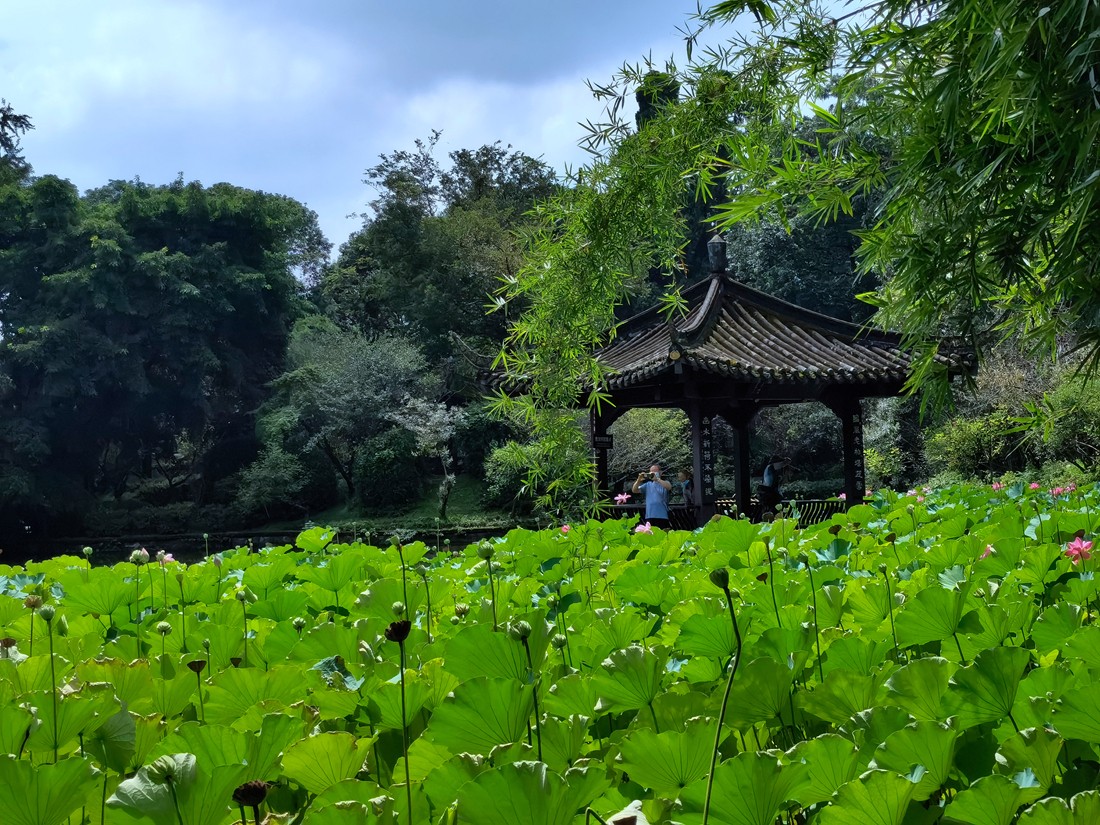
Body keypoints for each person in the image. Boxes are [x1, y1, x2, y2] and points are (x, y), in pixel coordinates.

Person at [632, 463, 672, 529]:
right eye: (651, 471)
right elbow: (634, 490)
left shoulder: (665, 483)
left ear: (660, 472)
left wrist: (657, 479)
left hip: (662, 515)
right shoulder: (648, 485)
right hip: (650, 515)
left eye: (655, 471)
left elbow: (669, 487)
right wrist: (638, 480)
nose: (652, 473)